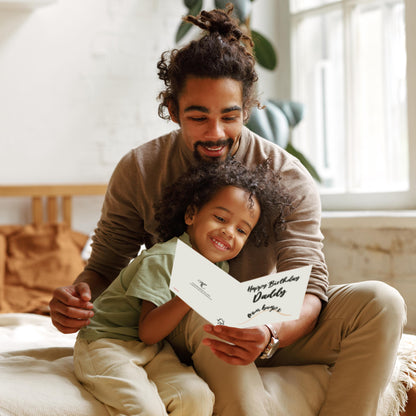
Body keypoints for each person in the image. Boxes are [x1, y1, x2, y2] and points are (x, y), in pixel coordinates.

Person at [50, 6, 406, 416]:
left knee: (382, 301)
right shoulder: (141, 168)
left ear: (249, 108)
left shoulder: (289, 176)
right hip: (177, 320)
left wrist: (270, 331)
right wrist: (77, 298)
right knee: (206, 294)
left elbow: (309, 284)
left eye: (229, 116)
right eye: (198, 117)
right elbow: (106, 264)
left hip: (268, 323)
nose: (215, 132)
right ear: (171, 108)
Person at [73, 159, 292, 416]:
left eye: (242, 230)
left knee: (196, 397)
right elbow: (148, 331)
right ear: (191, 215)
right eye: (220, 218)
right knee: (146, 409)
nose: (229, 232)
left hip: (152, 352)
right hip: (106, 344)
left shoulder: (219, 270)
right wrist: (192, 295)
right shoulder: (165, 258)